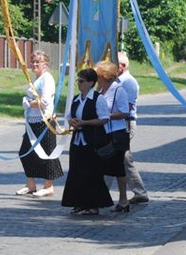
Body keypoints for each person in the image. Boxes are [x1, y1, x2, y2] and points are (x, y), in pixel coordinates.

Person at [61, 68, 113, 215]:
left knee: (92, 171)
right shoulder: (76, 99)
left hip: (92, 139)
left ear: (91, 83)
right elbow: (70, 116)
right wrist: (72, 121)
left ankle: (93, 204)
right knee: (76, 170)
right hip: (78, 140)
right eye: (78, 80)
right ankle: (78, 202)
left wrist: (85, 123)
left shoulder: (98, 98)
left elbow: (103, 119)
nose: (79, 83)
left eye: (82, 81)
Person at [15, 50, 63, 197]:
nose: (35, 64)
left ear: (45, 64)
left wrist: (28, 103)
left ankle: (48, 186)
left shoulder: (47, 78)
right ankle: (30, 184)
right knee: (25, 152)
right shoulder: (36, 78)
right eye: (33, 61)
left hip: (45, 121)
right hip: (32, 122)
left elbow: (44, 102)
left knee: (47, 153)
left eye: (38, 62)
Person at [95, 61, 131, 212]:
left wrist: (106, 116)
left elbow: (124, 112)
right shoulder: (100, 90)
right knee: (99, 168)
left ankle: (123, 200)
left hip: (116, 134)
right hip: (102, 132)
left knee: (117, 168)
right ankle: (98, 199)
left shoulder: (118, 90)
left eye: (98, 75)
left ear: (104, 76)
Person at [116, 51, 149, 204]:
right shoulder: (118, 80)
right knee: (119, 158)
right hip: (120, 122)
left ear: (122, 66)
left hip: (126, 122)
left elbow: (127, 106)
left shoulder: (128, 82)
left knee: (124, 158)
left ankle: (140, 191)